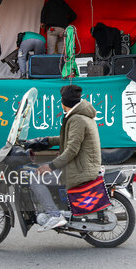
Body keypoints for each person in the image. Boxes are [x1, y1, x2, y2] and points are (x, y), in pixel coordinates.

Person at [29, 84, 102, 231]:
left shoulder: (77, 119)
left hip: (79, 167)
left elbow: (72, 150)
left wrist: (51, 166)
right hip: (81, 163)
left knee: (34, 178)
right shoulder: (80, 115)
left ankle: (54, 215)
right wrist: (44, 141)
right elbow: (66, 139)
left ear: (65, 103)